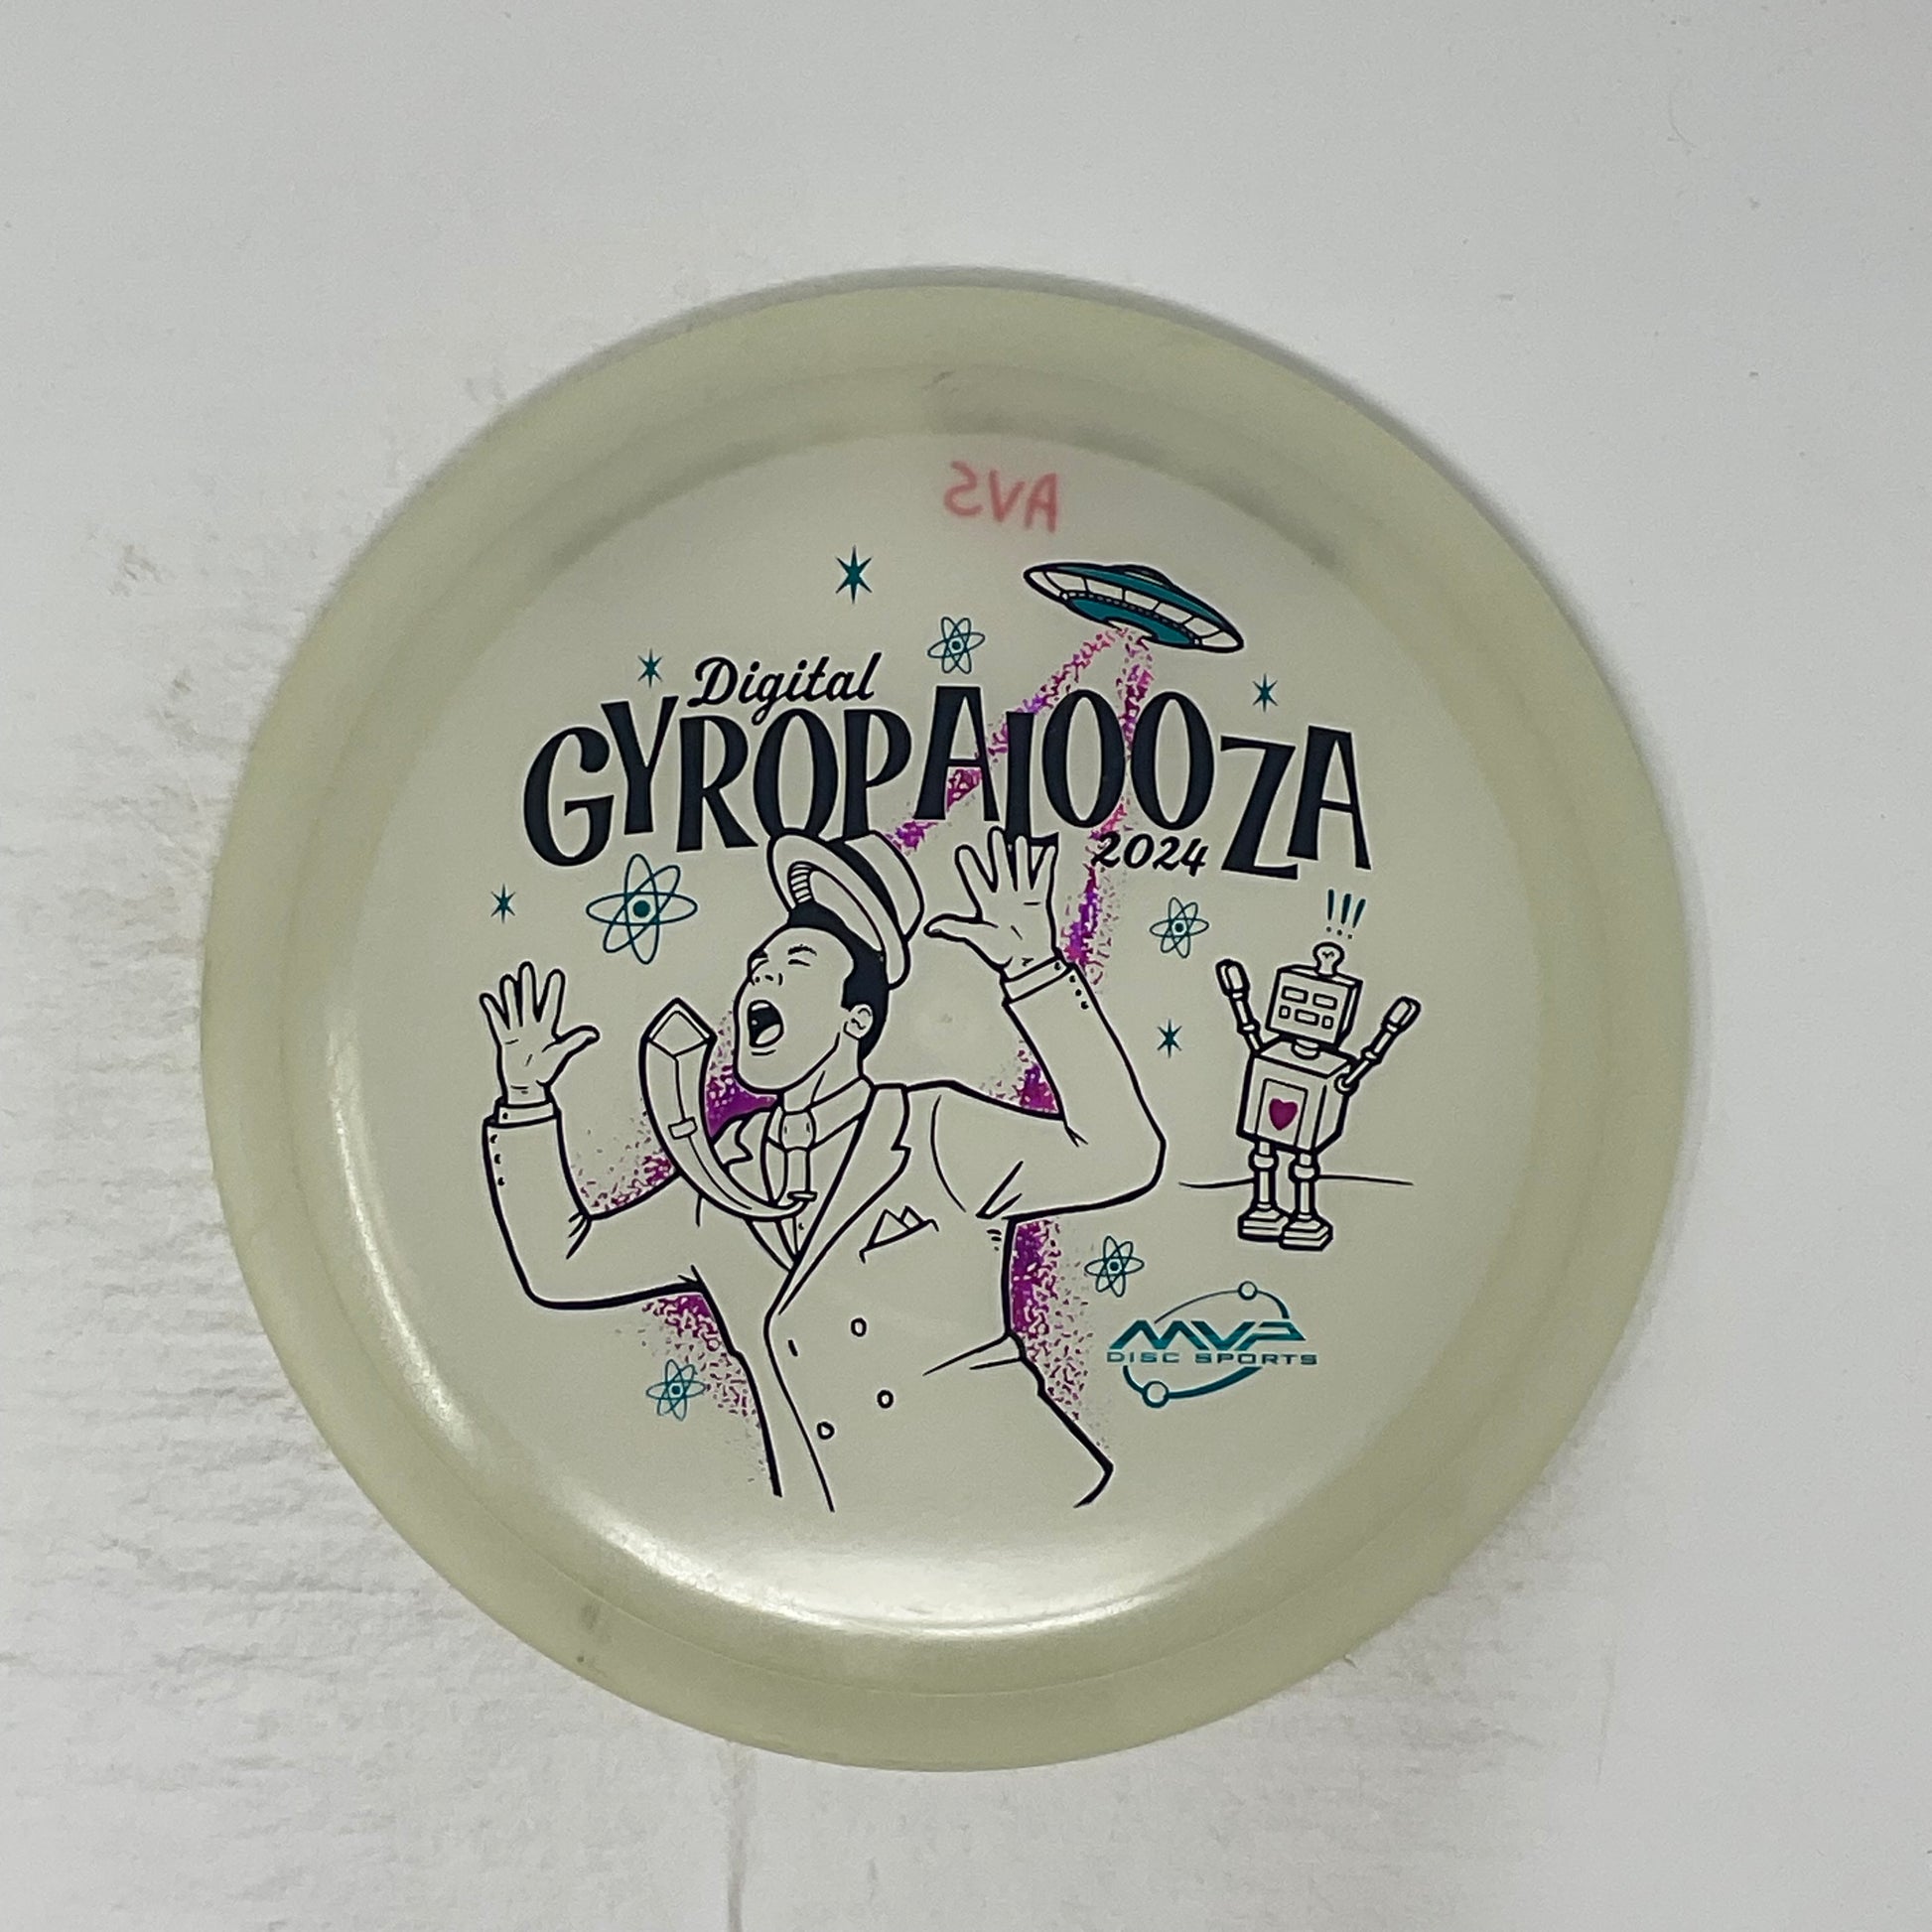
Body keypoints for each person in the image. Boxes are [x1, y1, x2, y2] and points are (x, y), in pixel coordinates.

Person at [479, 827, 1165, 1512]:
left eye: (797, 961)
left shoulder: (932, 1129)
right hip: (834, 1533)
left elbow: (1121, 1156)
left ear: (855, 1020)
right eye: (759, 964)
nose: (763, 974)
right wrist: (525, 1101)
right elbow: (561, 1264)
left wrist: (1037, 971)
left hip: (1021, 1504)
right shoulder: (720, 1175)